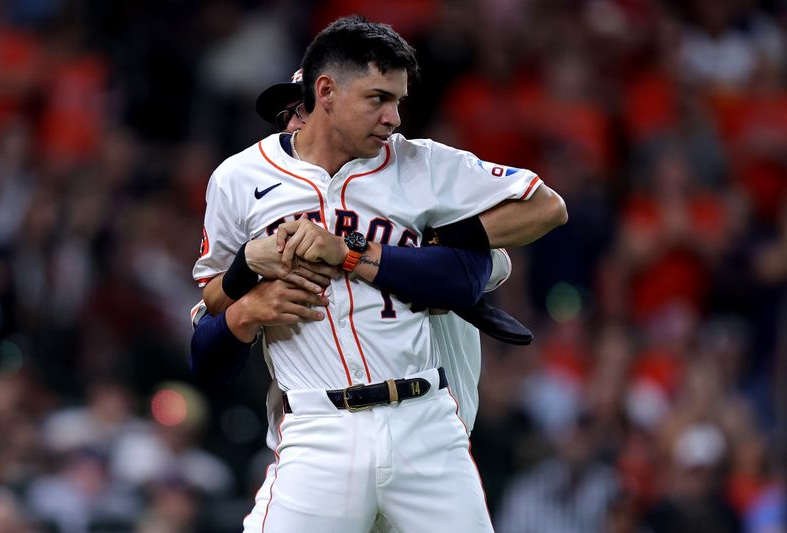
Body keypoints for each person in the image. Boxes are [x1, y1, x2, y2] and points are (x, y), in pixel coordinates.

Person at [193, 16, 566, 532]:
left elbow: (544, 209)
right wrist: (246, 281)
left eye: (397, 101)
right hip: (319, 423)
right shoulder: (240, 179)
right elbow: (210, 310)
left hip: (423, 414)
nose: (393, 117)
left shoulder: (422, 167)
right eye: (378, 99)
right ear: (324, 94)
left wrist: (416, 246)